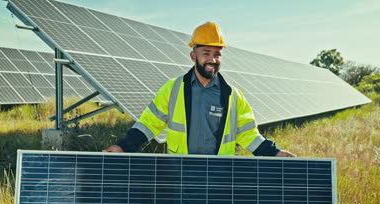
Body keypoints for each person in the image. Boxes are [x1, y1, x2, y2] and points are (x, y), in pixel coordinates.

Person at [104, 21, 296, 157]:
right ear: (193, 56)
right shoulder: (173, 90)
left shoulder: (232, 96)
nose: (213, 60)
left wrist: (274, 152)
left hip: (219, 175)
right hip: (180, 172)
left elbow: (248, 134)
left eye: (217, 54)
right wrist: (123, 146)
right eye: (206, 53)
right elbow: (148, 124)